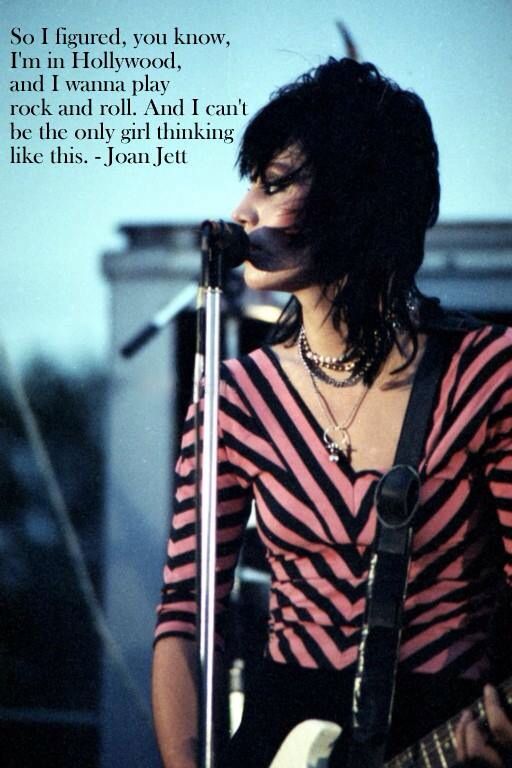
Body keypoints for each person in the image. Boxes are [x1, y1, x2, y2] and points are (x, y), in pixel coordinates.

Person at [152, 57, 512, 768]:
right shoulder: (236, 398)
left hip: (440, 737)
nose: (242, 213)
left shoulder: (485, 374)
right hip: (276, 743)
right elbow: (185, 616)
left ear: (356, 198)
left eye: (274, 184)